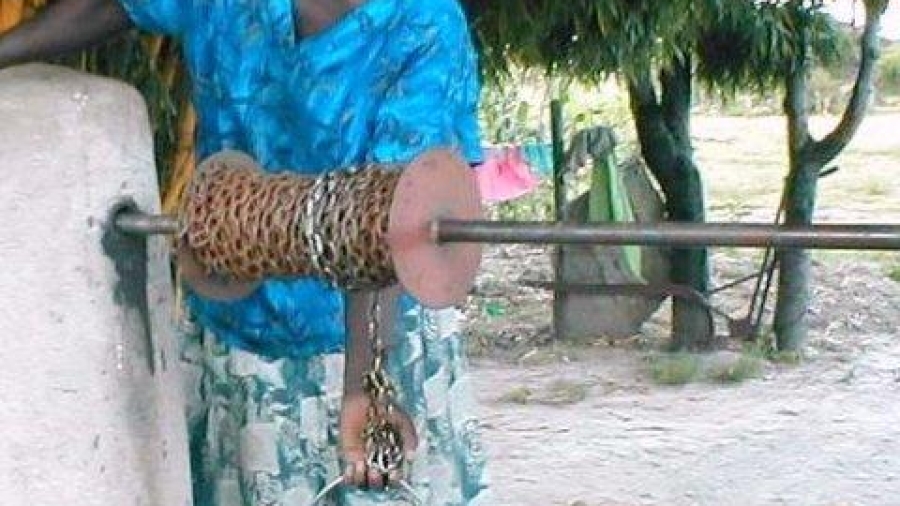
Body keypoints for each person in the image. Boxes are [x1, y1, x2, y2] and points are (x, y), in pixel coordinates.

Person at [0, 1, 489, 504]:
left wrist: (363, 390)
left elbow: (390, 224)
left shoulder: (421, 23)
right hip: (231, 330)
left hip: (366, 340)